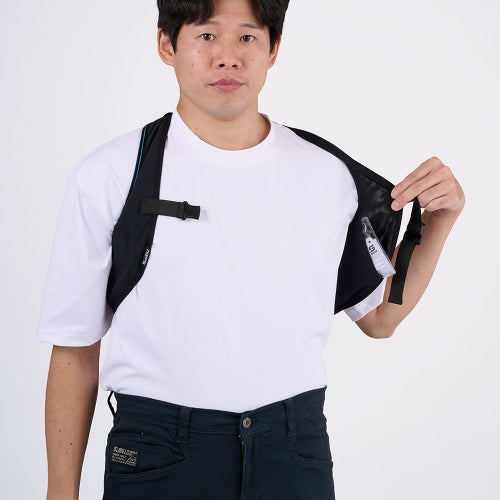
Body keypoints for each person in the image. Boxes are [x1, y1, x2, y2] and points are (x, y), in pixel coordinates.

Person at [37, 0, 465, 499]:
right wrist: (60, 492)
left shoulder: (328, 175)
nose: (228, 56)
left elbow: (379, 318)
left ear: (273, 49)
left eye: (247, 37)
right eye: (206, 35)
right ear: (166, 45)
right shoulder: (111, 174)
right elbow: (74, 348)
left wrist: (438, 223)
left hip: (294, 450)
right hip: (158, 452)